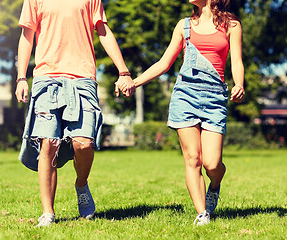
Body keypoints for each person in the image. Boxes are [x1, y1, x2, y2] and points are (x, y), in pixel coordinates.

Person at [15, 0, 135, 227]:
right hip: (46, 78)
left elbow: (103, 31)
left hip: (82, 78)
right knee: (48, 143)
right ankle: (48, 212)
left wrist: (123, 71)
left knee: (83, 143)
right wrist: (22, 77)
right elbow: (26, 35)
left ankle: (81, 184)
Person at [131, 0, 245, 225]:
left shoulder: (232, 25)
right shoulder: (184, 26)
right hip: (185, 95)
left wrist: (239, 84)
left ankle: (214, 185)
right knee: (193, 158)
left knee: (212, 164)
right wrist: (135, 82)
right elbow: (164, 63)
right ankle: (202, 214)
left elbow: (237, 61)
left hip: (214, 98)